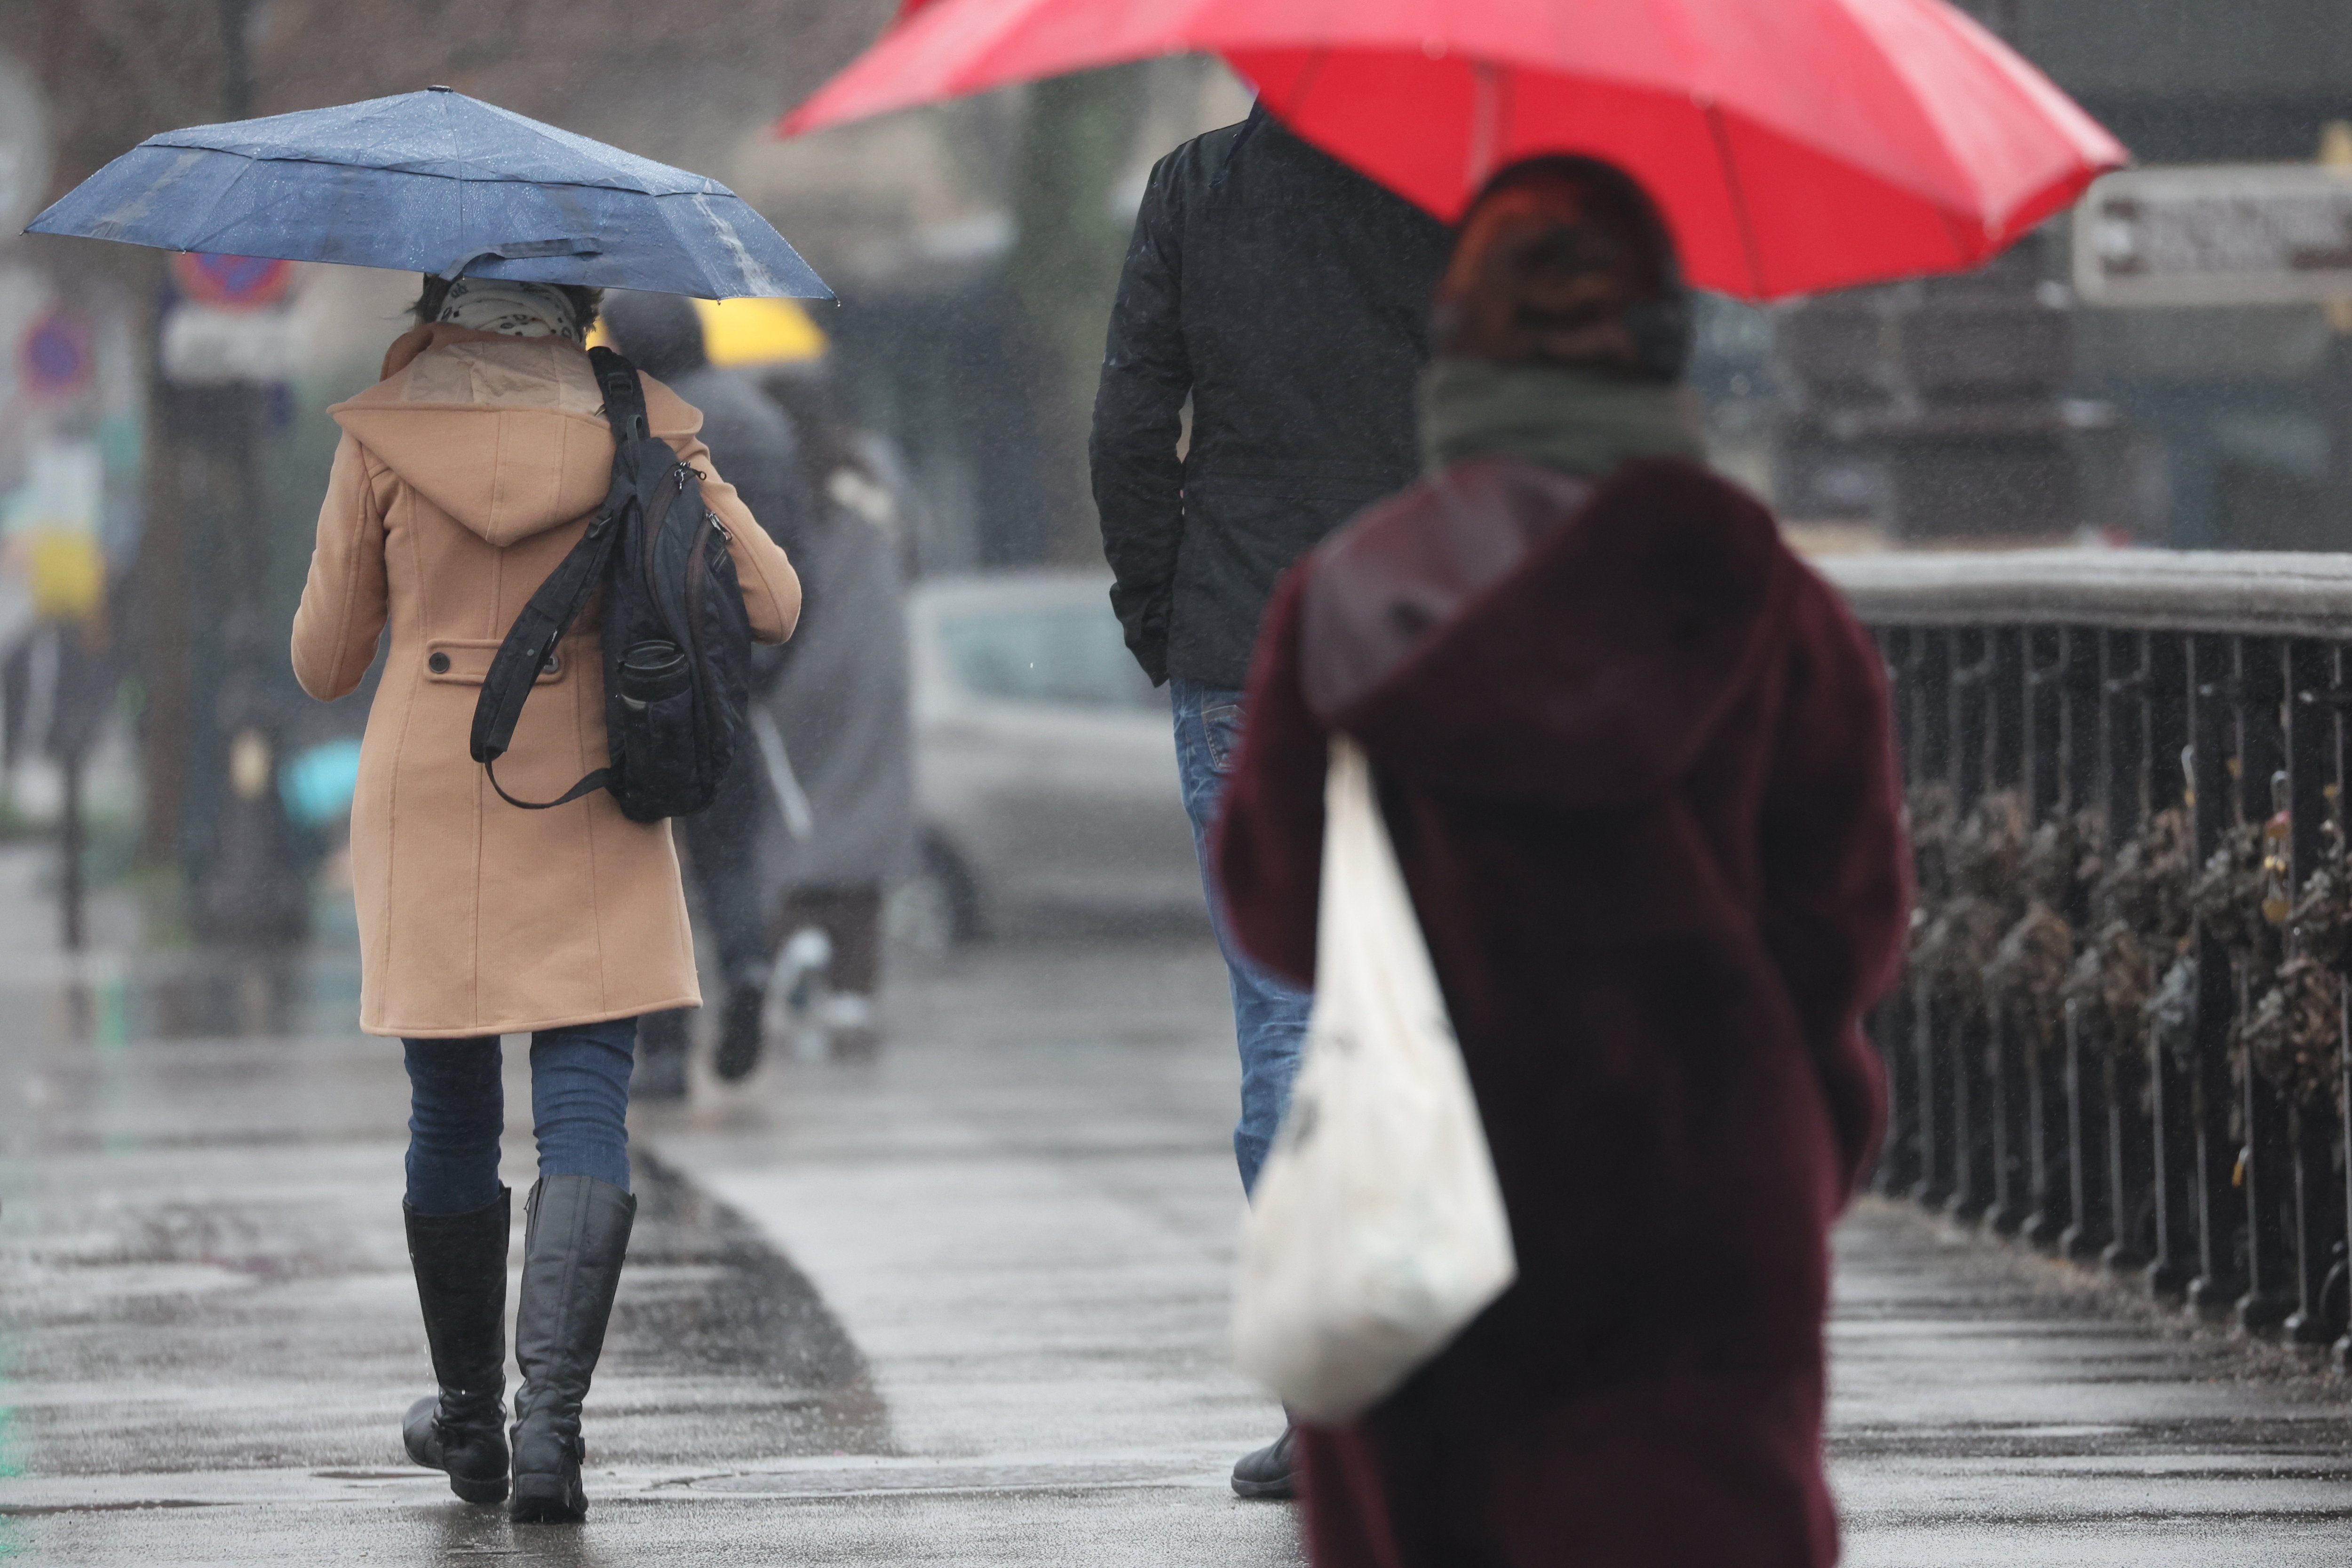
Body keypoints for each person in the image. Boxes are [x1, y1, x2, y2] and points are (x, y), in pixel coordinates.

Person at [1213, 158, 1911, 1566]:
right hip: (1707, 1192)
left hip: (1431, 1204)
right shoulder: (1771, 598)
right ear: (1667, 350)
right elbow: (1848, 919)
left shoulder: (1348, 595)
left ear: (1454, 346)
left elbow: (1276, 908)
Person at [290, 276, 800, 1523]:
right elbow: (774, 601)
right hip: (592, 786)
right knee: (585, 1097)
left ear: (441, 299)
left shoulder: (386, 431)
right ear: (575, 301)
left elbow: (322, 661)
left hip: (431, 795)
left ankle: (469, 1419)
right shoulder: (639, 421)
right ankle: (547, 1433)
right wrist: (682, 454)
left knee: (449, 1100)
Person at [1089, 100, 1452, 1499]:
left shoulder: (1195, 188)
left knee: (1288, 1007)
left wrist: (1163, 613)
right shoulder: (1464, 186)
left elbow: (1131, 420)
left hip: (1248, 645)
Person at [597, 291, 813, 1092]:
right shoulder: (764, 424)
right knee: (728, 852)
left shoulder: (631, 428)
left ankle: (662, 1045)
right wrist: (756, 676)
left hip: (647, 672)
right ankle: (749, 966)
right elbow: (800, 571)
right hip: (733, 674)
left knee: (651, 860)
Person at [755, 363, 915, 1056]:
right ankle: (854, 994)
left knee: (792, 823)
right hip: (874, 670)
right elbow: (915, 549)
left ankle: (798, 952)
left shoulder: (764, 473)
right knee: (867, 828)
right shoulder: (874, 466)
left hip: (794, 666)